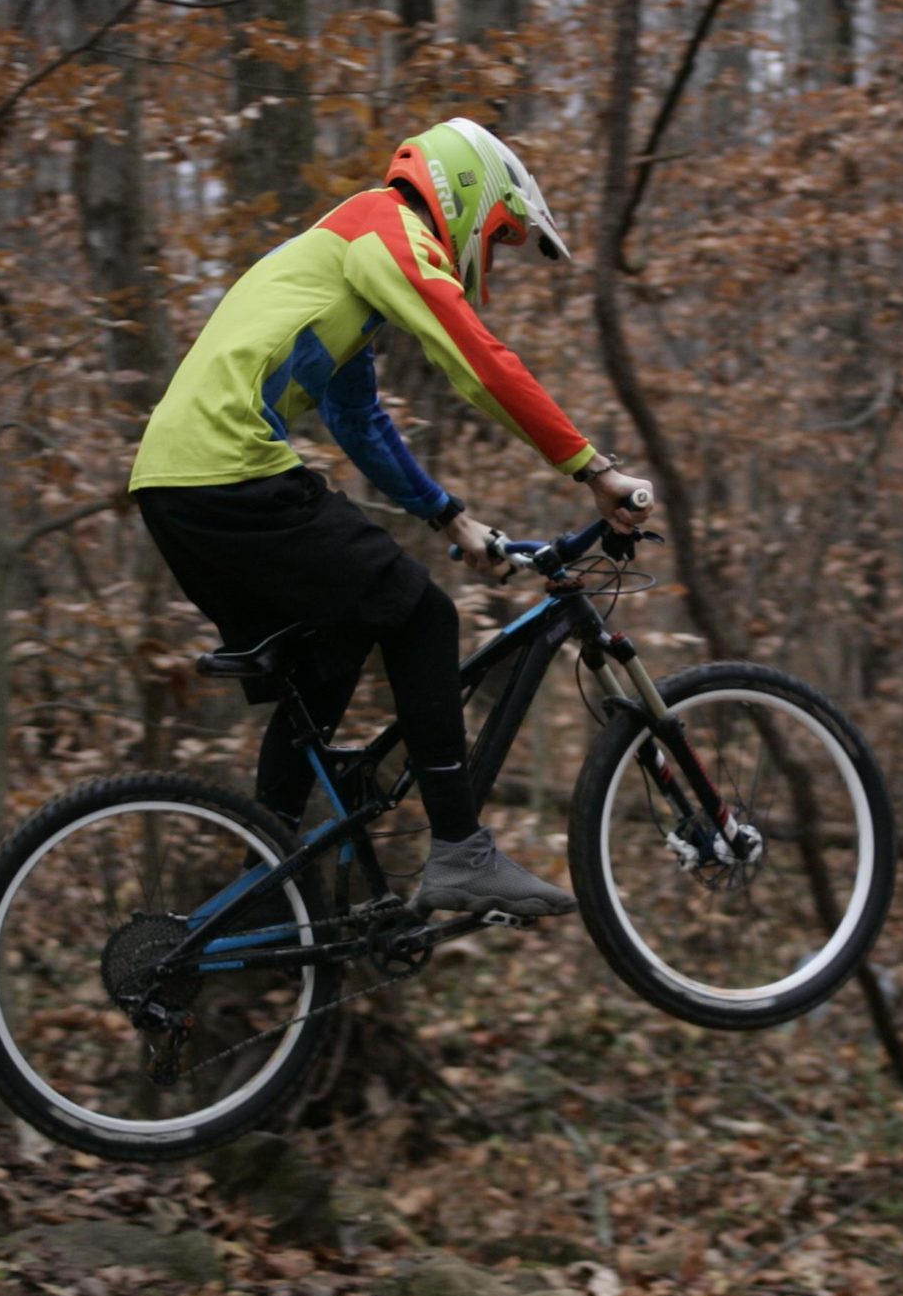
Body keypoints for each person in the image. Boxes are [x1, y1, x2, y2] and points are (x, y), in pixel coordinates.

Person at [131, 118, 654, 917]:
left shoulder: (343, 260)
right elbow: (478, 357)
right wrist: (593, 466)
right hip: (228, 468)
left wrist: (449, 517)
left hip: (175, 488)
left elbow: (359, 420)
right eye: (504, 236)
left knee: (331, 653)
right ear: (470, 195)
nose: (497, 254)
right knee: (421, 618)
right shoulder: (385, 227)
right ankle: (460, 851)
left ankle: (260, 889)